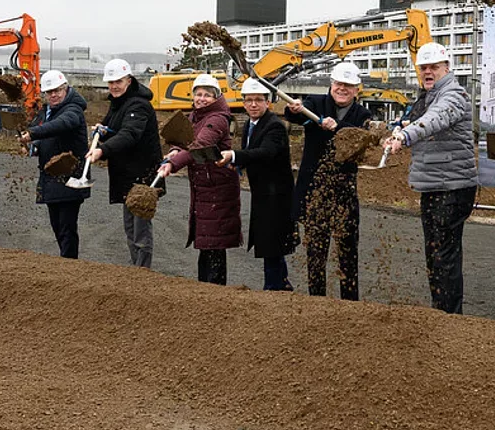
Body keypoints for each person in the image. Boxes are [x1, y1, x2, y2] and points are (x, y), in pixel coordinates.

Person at [383, 42, 479, 314]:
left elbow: (436, 119)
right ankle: (442, 312)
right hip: (438, 184)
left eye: (433, 67)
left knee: (443, 257)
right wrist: (400, 129)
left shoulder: (452, 95)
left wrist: (406, 135)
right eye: (423, 67)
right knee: (436, 255)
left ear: (446, 68)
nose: (427, 72)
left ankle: (447, 317)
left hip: (451, 187)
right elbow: (419, 120)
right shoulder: (429, 96)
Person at [285, 62, 372, 300]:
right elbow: (295, 115)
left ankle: (350, 303)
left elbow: (364, 138)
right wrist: (294, 109)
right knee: (316, 251)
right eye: (338, 84)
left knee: (347, 252)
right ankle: (317, 301)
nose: (342, 89)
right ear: (331, 85)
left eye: (348, 85)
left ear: (357, 89)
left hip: (344, 192)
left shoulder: (363, 115)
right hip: (315, 191)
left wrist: (339, 127)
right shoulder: (315, 103)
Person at [158, 73, 242, 284]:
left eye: (207, 95)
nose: (201, 98)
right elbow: (185, 140)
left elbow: (199, 145)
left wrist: (173, 164)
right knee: (205, 242)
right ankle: (204, 290)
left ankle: (215, 291)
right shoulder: (195, 116)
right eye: (198, 94)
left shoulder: (217, 119)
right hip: (204, 185)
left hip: (218, 188)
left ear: (216, 97)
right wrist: (175, 150)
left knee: (214, 243)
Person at [216, 77, 297, 291]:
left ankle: (274, 286)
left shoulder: (274, 126)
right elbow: (254, 156)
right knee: (269, 242)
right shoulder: (253, 125)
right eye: (249, 100)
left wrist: (234, 155)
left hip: (276, 195)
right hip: (264, 193)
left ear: (268, 102)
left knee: (272, 243)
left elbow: (266, 152)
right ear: (243, 103)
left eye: (258, 100)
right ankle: (280, 284)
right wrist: (240, 166)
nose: (253, 104)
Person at [88, 58, 165, 269]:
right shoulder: (118, 103)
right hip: (127, 175)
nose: (113, 86)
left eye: (118, 81)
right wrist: (103, 130)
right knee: (130, 228)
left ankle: (142, 272)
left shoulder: (138, 105)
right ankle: (136, 270)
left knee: (140, 229)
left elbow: (130, 134)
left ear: (129, 81)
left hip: (142, 176)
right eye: (110, 82)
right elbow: (115, 128)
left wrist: (103, 149)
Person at [20, 70, 90, 259]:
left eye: (57, 90)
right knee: (58, 227)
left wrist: (33, 134)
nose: (54, 95)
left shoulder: (73, 110)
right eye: (49, 92)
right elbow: (44, 136)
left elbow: (62, 124)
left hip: (70, 176)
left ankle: (69, 266)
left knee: (67, 229)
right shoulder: (46, 112)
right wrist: (33, 147)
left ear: (65, 88)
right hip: (51, 177)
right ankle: (66, 264)